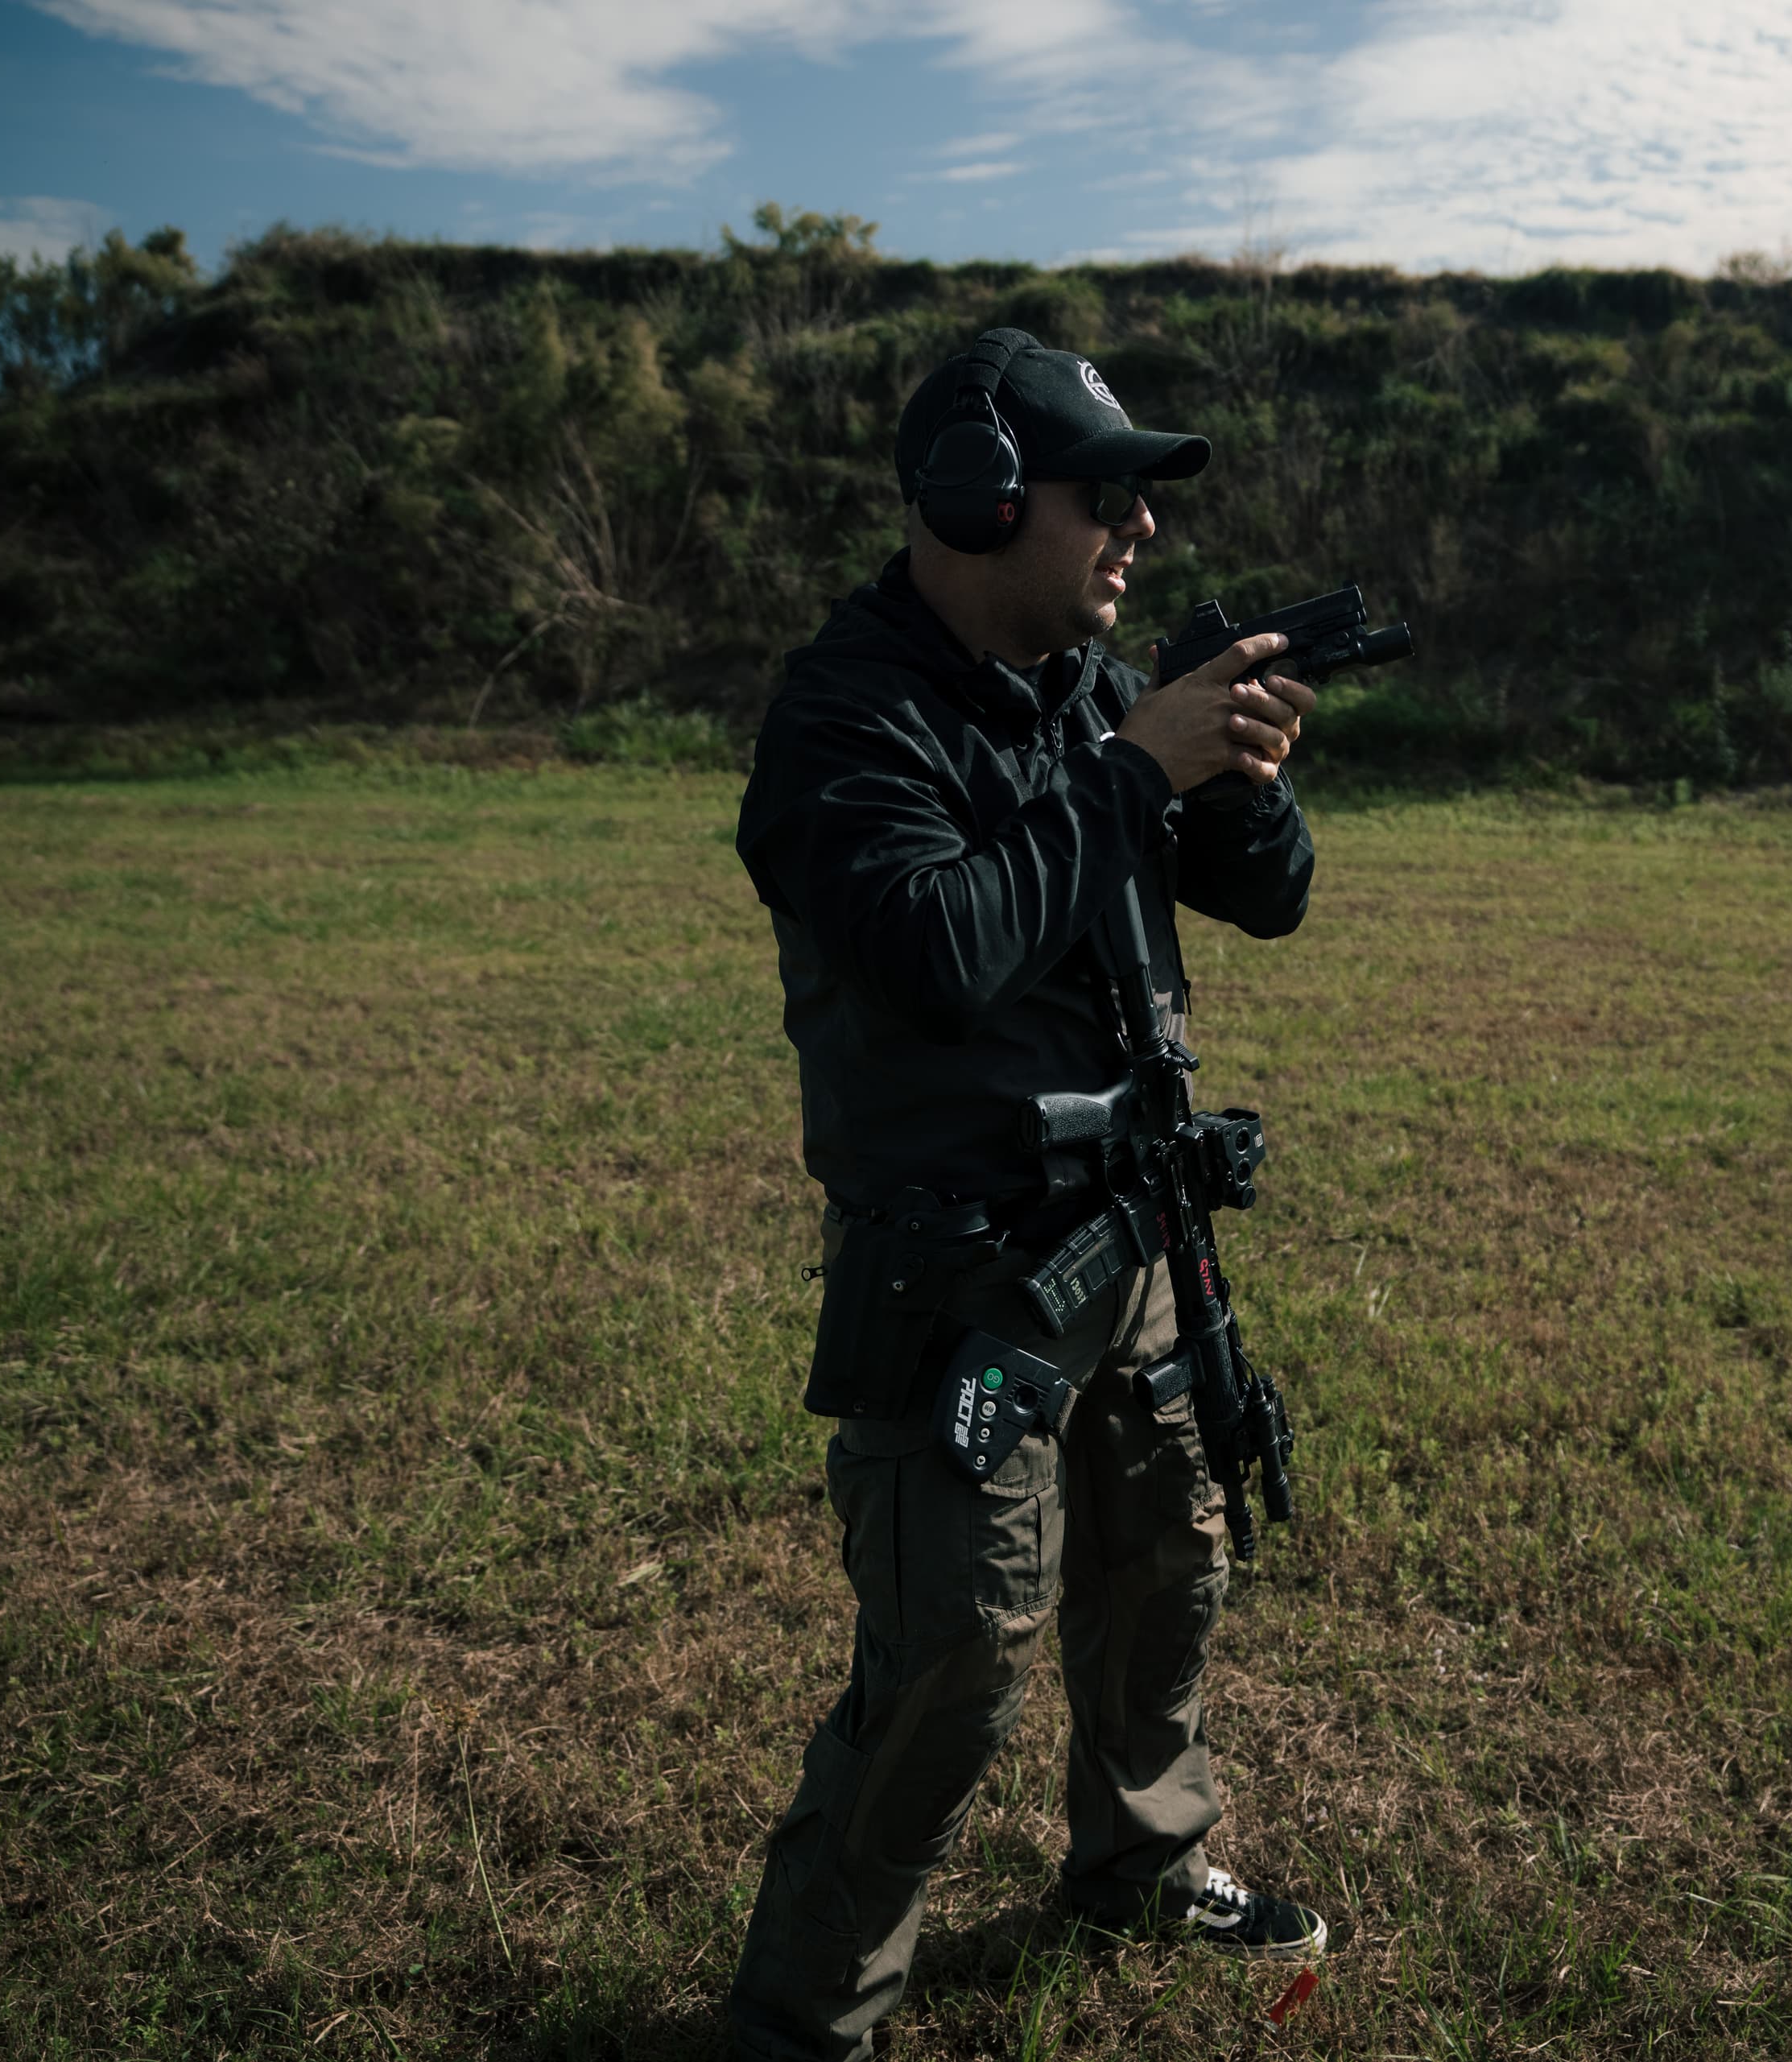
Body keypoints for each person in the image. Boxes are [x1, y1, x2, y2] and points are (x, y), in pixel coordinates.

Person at [724, 328, 1328, 2062]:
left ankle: (1144, 1861)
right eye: (1105, 497)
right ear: (981, 496)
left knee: (1165, 1569)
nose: (1136, 533)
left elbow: (1262, 900)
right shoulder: (849, 716)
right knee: (953, 1667)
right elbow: (934, 952)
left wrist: (1245, 779)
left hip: (1131, 1238)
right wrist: (1136, 765)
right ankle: (809, 2018)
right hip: (962, 1271)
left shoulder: (1085, 691)